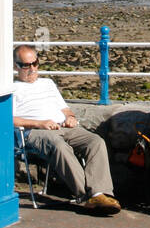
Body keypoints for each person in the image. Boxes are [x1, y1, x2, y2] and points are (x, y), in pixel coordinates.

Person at [12, 45, 121, 214]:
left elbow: (65, 109)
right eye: (26, 65)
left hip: (62, 126)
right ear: (16, 66)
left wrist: (71, 118)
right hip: (35, 131)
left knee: (95, 141)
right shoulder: (13, 89)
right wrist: (40, 124)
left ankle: (100, 193)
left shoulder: (48, 83)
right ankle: (87, 196)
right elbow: (10, 120)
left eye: (35, 63)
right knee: (59, 146)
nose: (32, 69)